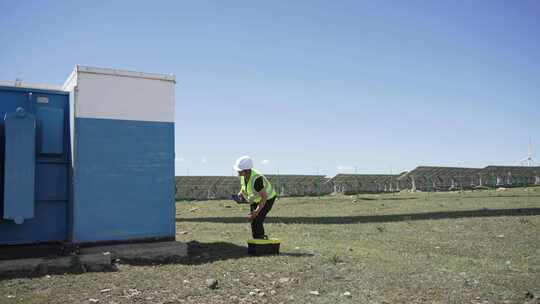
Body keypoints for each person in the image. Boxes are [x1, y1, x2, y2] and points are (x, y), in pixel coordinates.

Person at [233, 156, 278, 239]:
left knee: (257, 219)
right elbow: (244, 187)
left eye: (239, 170)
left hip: (267, 199)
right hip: (256, 200)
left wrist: (256, 211)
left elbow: (264, 197)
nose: (237, 171)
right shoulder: (244, 176)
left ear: (246, 170)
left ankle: (261, 240)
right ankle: (256, 241)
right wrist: (240, 193)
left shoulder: (257, 179)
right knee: (253, 219)